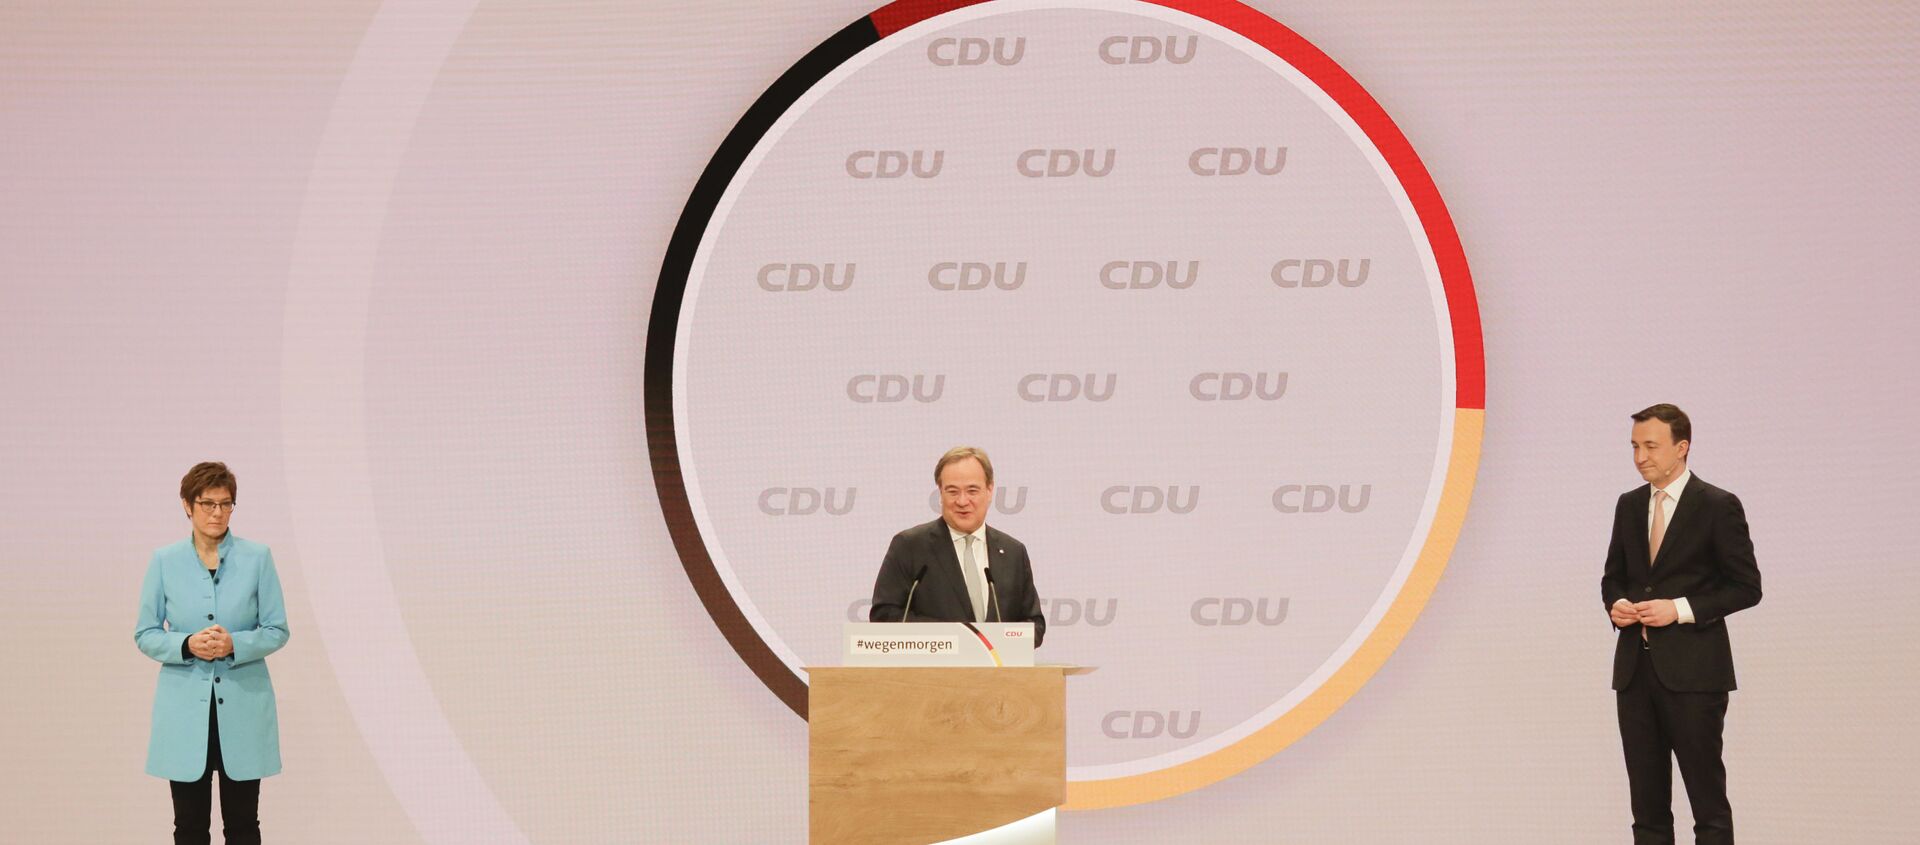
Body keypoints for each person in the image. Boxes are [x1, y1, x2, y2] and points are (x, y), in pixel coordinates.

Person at [1601, 405, 1762, 845]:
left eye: (1651, 446)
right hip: (1635, 675)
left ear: (1682, 447)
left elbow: (1746, 587)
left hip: (1695, 677)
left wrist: (1680, 609)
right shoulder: (1629, 505)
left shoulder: (1717, 505)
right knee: (1647, 810)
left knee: (1708, 808)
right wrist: (1615, 604)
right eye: (1635, 446)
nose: (1640, 457)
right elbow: (1613, 576)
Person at [135, 462, 290, 845]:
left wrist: (235, 643)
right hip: (186, 712)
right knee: (189, 827)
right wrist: (185, 645)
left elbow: (277, 629)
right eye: (207, 504)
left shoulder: (258, 558)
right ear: (187, 505)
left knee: (242, 825)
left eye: (226, 504)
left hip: (242, 708)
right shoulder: (164, 561)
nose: (217, 513)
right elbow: (145, 633)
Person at [870, 446, 1046, 645]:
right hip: (934, 672)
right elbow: (884, 616)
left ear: (989, 491)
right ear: (940, 493)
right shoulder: (910, 546)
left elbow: (1035, 624)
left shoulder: (1013, 552)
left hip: (998, 673)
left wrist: (1005, 639)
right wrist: (953, 638)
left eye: (972, 490)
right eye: (952, 491)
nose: (962, 501)